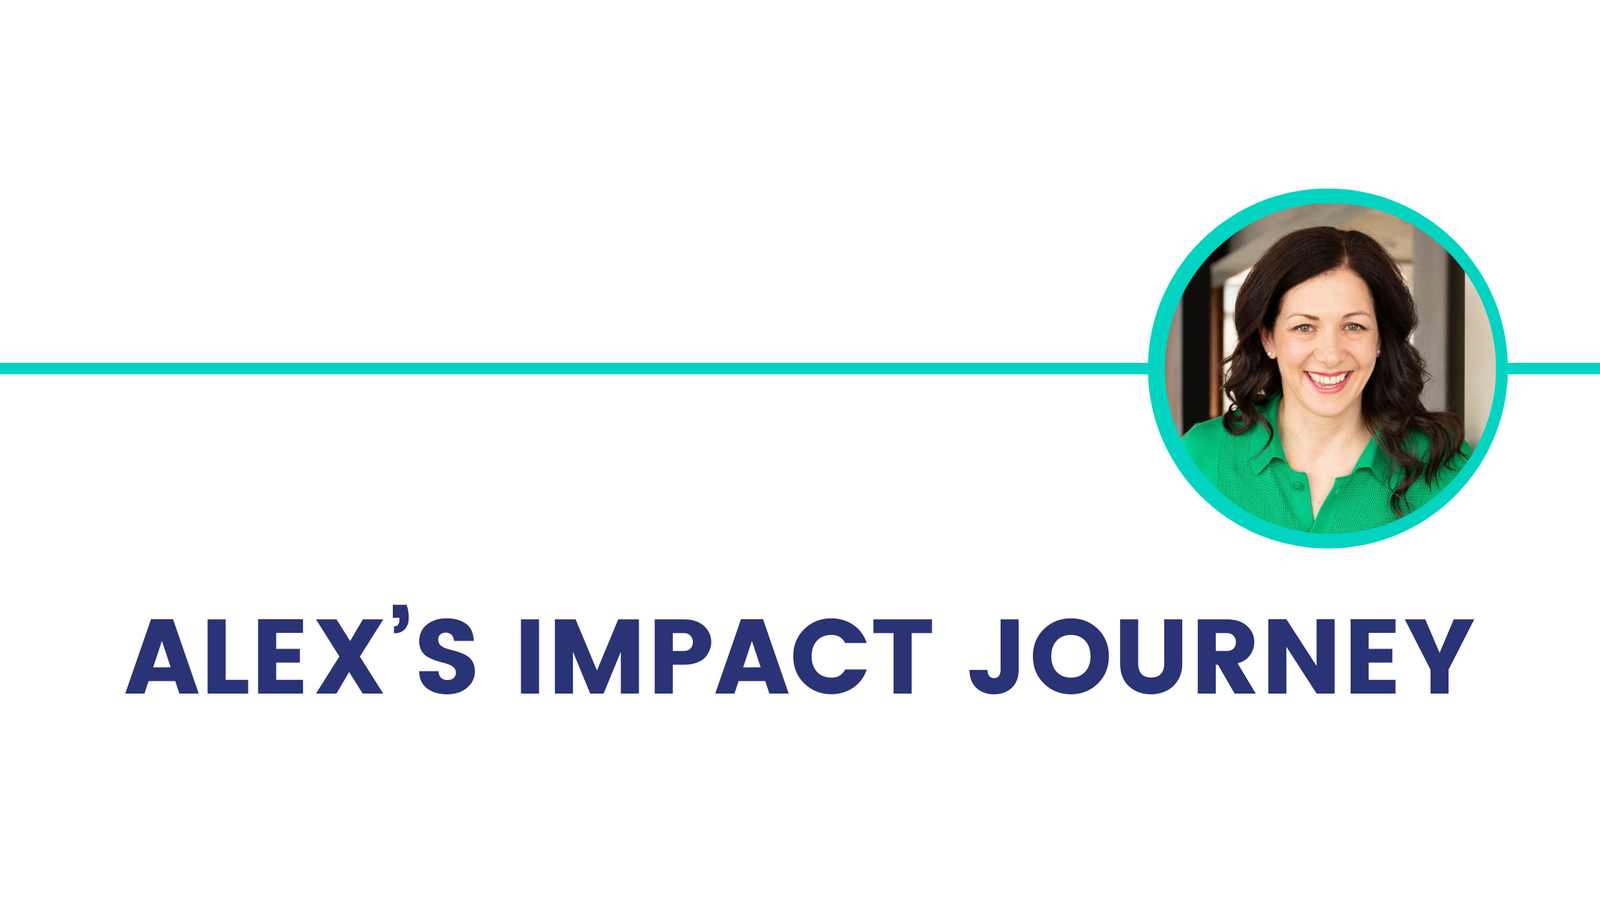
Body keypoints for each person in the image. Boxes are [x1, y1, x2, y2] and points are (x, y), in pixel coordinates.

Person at [1182, 226, 1470, 534]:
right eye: (1304, 327)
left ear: (1380, 339)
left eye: (1354, 326)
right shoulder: (1201, 456)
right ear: (1268, 339)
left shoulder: (1445, 468)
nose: (1331, 355)